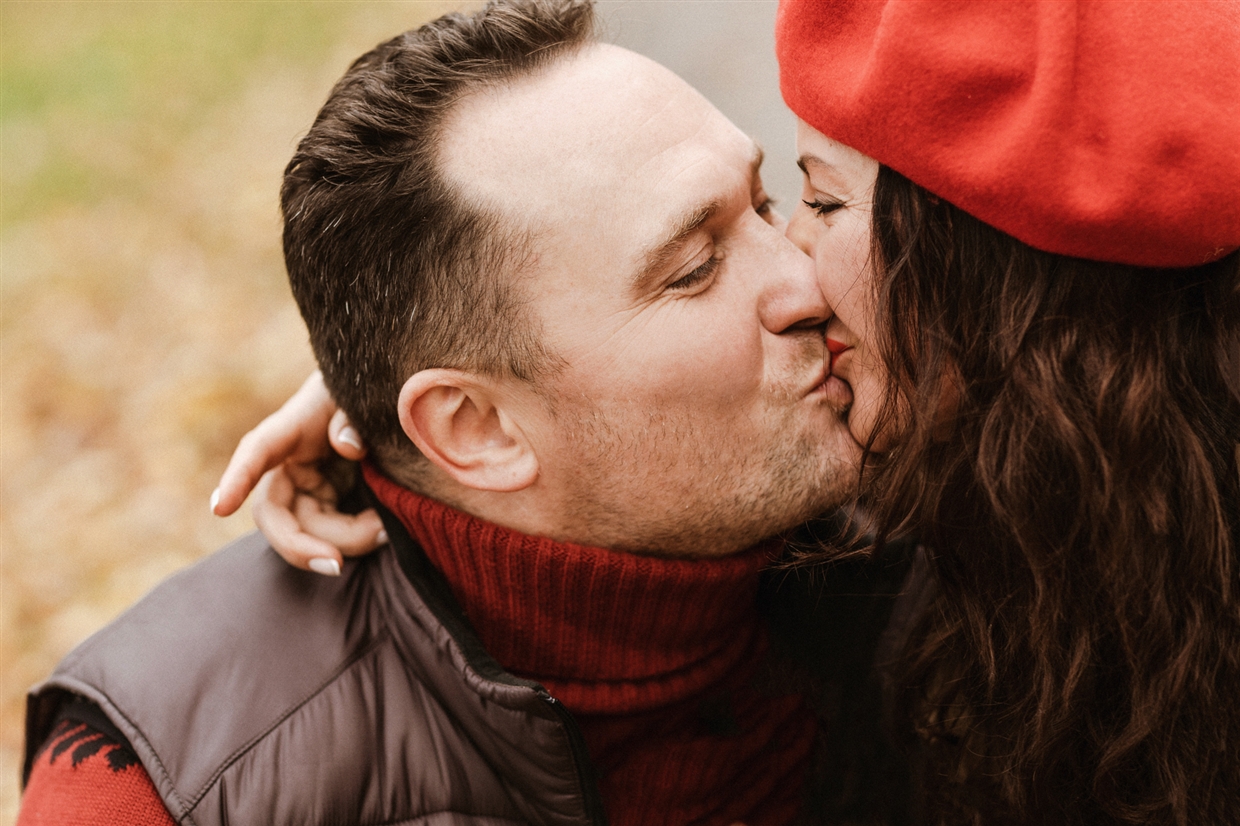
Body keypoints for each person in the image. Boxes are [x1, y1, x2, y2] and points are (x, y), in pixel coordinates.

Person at [221, 1, 1240, 824]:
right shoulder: (1028, 504)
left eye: (814, 203)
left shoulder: (947, 564)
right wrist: (418, 409)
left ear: (1009, 297)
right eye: (703, 261)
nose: (793, 269)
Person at [18, 3, 876, 825]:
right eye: (693, 269)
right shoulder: (171, 787)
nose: (808, 286)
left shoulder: (953, 536)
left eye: (769, 204)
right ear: (476, 430)